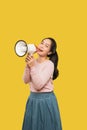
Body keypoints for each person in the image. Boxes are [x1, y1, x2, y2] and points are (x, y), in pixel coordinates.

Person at [22, 37, 62, 130]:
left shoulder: (49, 65)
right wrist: (28, 66)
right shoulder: (33, 62)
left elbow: (38, 85)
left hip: (46, 102)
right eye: (42, 43)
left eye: (46, 45)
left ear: (50, 52)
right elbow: (25, 80)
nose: (42, 46)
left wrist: (32, 67)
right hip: (33, 100)